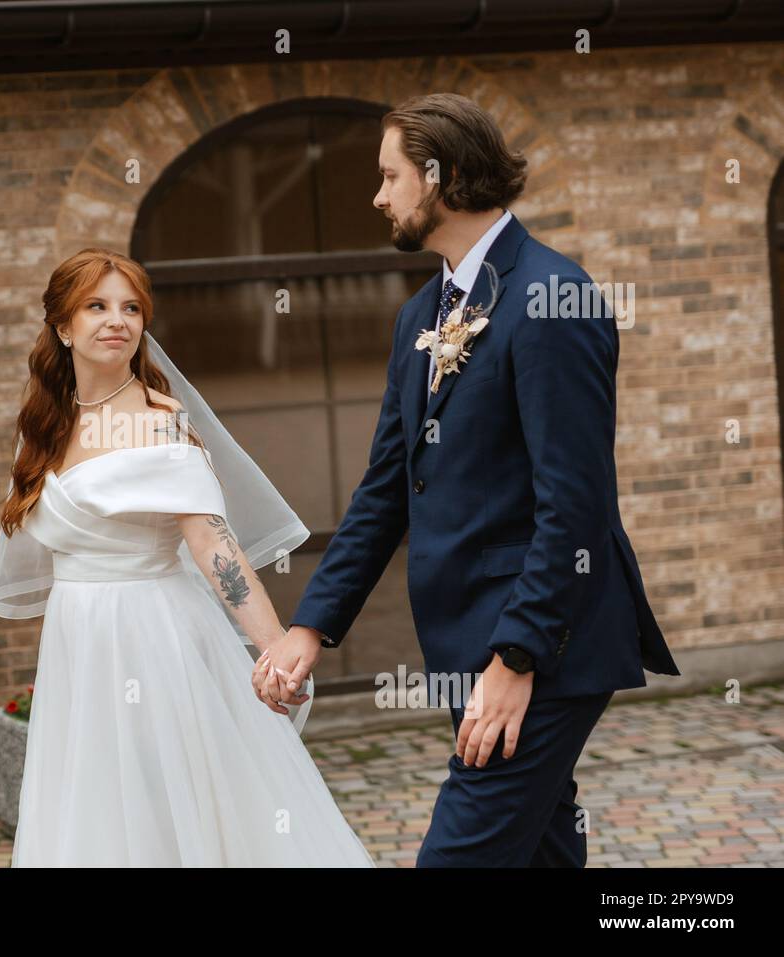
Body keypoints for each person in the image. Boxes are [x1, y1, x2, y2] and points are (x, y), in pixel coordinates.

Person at [258, 93, 681, 867]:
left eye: (390, 177)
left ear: (438, 176)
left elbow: (575, 506)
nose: (378, 196)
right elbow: (387, 487)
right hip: (463, 641)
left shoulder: (552, 299)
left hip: (541, 641)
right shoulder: (421, 312)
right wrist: (309, 626)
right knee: (544, 847)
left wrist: (517, 659)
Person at [0, 248, 374, 867]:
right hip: (78, 641)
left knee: (178, 803)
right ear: (62, 327)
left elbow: (213, 543)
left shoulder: (159, 422)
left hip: (154, 636)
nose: (117, 320)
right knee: (99, 806)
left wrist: (276, 649)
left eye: (131, 308)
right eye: (97, 306)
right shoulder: (46, 425)